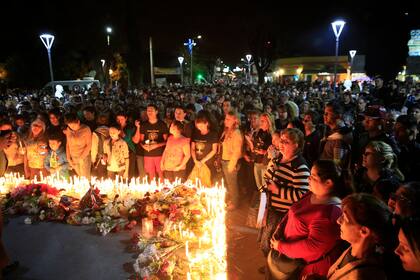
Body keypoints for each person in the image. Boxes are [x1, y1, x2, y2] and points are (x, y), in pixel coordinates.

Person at [268, 160, 349, 279]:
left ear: (328, 183)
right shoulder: (312, 194)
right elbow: (293, 210)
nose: (308, 179)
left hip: (307, 267)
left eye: (313, 177)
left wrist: (281, 246)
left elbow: (312, 246)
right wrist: (279, 229)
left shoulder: (330, 213)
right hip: (288, 255)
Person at [259, 128, 310, 259]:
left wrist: (278, 190)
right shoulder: (277, 160)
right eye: (281, 140)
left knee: (275, 246)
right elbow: (267, 180)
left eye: (286, 142)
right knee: (265, 243)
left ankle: (273, 270)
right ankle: (269, 265)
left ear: (296, 145)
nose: (281, 144)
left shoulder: (299, 167)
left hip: (283, 215)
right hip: (270, 210)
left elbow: (302, 195)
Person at [327, 193, 394, 280]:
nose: (338, 221)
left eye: (344, 218)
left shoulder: (364, 275)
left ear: (364, 231)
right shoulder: (352, 249)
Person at [221, 110, 243, 210]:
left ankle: (235, 203)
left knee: (232, 183)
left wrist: (232, 164)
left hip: (230, 162)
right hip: (225, 160)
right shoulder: (227, 131)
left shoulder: (236, 133)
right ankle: (233, 200)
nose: (225, 121)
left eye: (228, 119)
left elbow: (237, 151)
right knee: (230, 183)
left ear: (235, 120)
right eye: (226, 119)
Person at [139, 104, 168, 180]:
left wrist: (157, 145)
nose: (149, 112)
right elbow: (141, 140)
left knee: (161, 174)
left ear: (156, 112)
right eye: (148, 110)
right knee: (151, 175)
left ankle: (162, 190)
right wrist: (143, 146)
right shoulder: (144, 125)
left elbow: (167, 141)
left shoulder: (162, 124)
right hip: (148, 154)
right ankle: (153, 190)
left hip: (159, 154)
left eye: (151, 110)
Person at [191, 110, 219, 185]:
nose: (200, 128)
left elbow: (214, 150)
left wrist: (203, 161)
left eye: (201, 126)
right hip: (197, 163)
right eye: (198, 126)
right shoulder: (195, 133)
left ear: (207, 123)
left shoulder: (213, 134)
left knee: (207, 183)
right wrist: (195, 160)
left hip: (208, 163)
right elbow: (193, 148)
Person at [64, 112, 92, 178]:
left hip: (84, 157)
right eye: (69, 125)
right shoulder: (69, 129)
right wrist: (68, 158)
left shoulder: (86, 129)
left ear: (78, 122)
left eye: (73, 125)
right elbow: (68, 144)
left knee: (85, 178)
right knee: (79, 176)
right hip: (73, 157)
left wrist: (81, 158)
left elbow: (89, 145)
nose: (71, 127)